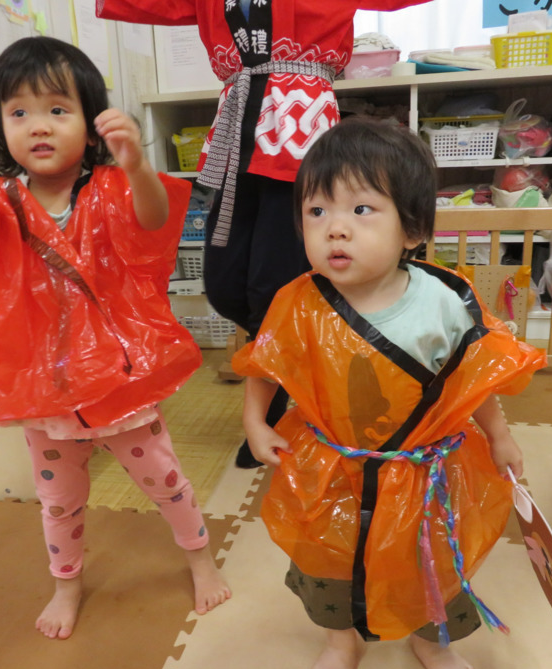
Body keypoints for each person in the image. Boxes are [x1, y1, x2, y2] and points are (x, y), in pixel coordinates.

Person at [0, 36, 230, 640]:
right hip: (46, 387)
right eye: (19, 112)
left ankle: (200, 558)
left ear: (91, 125)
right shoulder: (2, 197)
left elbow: (154, 220)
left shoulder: (109, 187)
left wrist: (138, 165)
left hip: (120, 379)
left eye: (56, 110)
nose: (37, 126)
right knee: (59, 500)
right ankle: (66, 583)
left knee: (165, 480)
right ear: (0, 126)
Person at [232, 117, 546, 669]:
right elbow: (265, 365)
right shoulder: (298, 302)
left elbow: (472, 380)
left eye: (360, 210)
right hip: (333, 469)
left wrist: (499, 435)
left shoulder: (445, 302)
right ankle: (340, 643)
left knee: (429, 564)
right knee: (330, 559)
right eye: (317, 211)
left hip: (425, 474)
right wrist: (256, 422)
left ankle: (432, 643)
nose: (335, 229)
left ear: (413, 229)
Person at [97, 0, 429, 468]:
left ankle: (270, 411)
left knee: (272, 287)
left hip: (301, 132)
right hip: (238, 129)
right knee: (227, 285)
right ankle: (286, 364)